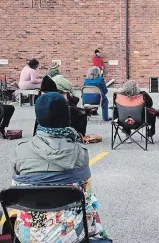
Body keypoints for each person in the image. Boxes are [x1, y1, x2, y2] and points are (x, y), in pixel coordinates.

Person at [11, 93, 110, 243]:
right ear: (67, 117)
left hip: (28, 235)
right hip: (73, 234)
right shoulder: (80, 153)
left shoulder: (21, 151)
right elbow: (86, 192)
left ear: (38, 118)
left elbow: (17, 191)